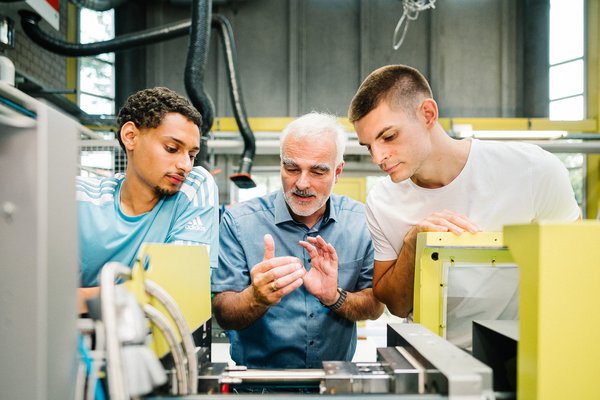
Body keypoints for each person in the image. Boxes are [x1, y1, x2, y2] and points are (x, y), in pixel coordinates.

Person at [348, 64, 581, 347]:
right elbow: (396, 306)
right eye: (368, 145)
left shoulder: (533, 169)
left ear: (428, 114)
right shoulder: (382, 201)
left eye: (388, 137)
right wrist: (413, 244)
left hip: (521, 353)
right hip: (431, 357)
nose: (378, 157)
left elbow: (575, 273)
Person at [211, 112, 384, 369]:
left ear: (338, 172)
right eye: (292, 168)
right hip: (257, 386)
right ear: (281, 165)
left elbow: (374, 305)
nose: (302, 183)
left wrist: (334, 297)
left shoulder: (362, 222)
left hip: (334, 382)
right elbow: (223, 313)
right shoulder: (239, 222)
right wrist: (256, 297)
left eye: (317, 171)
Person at [77, 87, 219, 312]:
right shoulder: (80, 197)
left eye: (192, 155)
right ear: (130, 137)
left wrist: (79, 298)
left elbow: (177, 290)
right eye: (172, 148)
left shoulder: (194, 187)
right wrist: (137, 290)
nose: (185, 165)